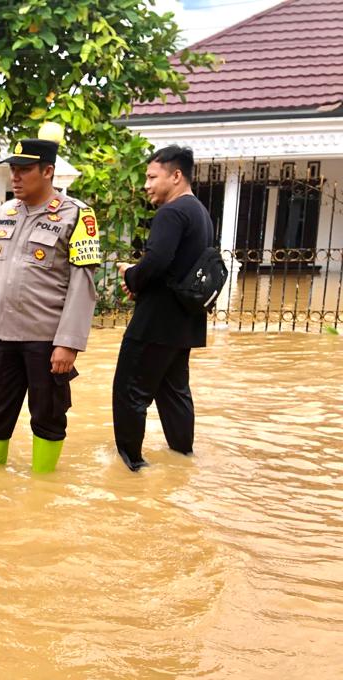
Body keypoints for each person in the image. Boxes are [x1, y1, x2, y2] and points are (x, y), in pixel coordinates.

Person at [0, 137, 101, 473]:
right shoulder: (5, 213)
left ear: (48, 171)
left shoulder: (78, 216)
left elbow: (83, 286)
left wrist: (68, 343)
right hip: (4, 339)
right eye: (13, 170)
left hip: (47, 341)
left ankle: (44, 492)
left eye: (24, 170)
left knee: (49, 417)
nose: (16, 177)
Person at [113, 145, 214, 471]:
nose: (146, 184)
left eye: (152, 176)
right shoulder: (199, 212)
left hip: (155, 324)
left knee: (130, 393)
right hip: (183, 323)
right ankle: (182, 457)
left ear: (176, 175)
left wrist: (131, 275)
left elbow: (157, 261)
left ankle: (133, 467)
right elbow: (175, 265)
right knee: (174, 394)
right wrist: (140, 277)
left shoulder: (171, 212)